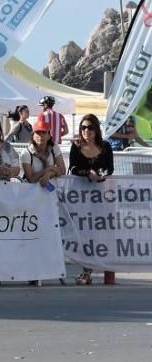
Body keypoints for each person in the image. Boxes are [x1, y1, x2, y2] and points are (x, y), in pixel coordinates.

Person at [68, 113, 114, 286]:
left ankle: (104, 268)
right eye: (83, 128)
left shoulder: (106, 147)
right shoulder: (76, 145)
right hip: (79, 197)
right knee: (84, 234)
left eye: (90, 127)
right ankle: (86, 271)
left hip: (101, 196)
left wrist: (101, 175)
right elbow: (73, 168)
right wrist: (88, 173)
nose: (87, 131)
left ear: (96, 129)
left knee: (100, 234)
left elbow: (110, 168)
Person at [20, 117, 65, 187]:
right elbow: (31, 179)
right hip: (30, 192)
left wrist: (49, 174)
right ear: (33, 136)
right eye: (37, 133)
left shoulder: (54, 148)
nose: (41, 136)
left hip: (51, 191)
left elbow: (62, 172)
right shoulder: (26, 153)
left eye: (44, 132)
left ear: (49, 136)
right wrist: (49, 169)